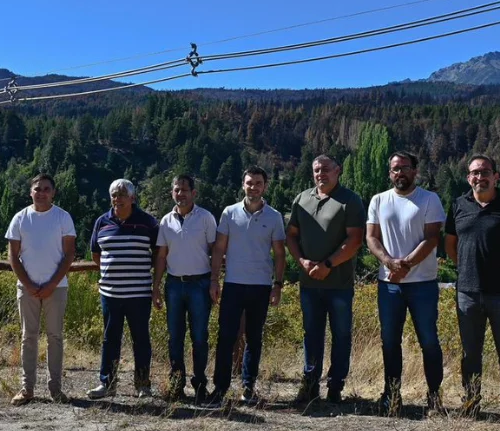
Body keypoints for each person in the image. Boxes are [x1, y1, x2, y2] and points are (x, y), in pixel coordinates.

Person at [445, 155, 500, 420]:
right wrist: (467, 269)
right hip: (468, 293)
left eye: (485, 172)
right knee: (470, 354)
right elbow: (450, 245)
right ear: (468, 177)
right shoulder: (459, 205)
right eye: (474, 173)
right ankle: (471, 404)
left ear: (496, 176)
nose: (479, 177)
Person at [365, 152, 446, 417]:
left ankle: (434, 397)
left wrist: (406, 266)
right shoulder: (378, 200)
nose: (399, 172)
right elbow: (371, 238)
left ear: (415, 171)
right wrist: (389, 263)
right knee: (389, 341)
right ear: (389, 173)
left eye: (405, 168)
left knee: (429, 341)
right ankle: (391, 396)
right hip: (389, 285)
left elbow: (432, 238)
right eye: (395, 169)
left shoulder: (429, 199)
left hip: (422, 284)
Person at [287, 155, 364, 404]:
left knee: (341, 334)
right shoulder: (302, 199)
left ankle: (335, 387)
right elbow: (291, 236)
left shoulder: (350, 200)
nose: (321, 174)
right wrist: (303, 262)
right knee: (312, 334)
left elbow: (354, 240)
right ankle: (309, 385)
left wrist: (328, 264)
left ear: (338, 171)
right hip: (309, 283)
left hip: (339, 284)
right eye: (316, 170)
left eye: (326, 169)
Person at [206, 166, 286, 406]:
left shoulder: (274, 216)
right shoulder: (229, 213)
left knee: (254, 338)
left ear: (265, 186)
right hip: (232, 284)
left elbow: (280, 254)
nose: (253, 187)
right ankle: (220, 389)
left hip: (260, 287)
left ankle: (248, 387)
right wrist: (214, 280)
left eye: (258, 183)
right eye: (249, 183)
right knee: (226, 337)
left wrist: (278, 285)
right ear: (243, 185)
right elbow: (219, 248)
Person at [6, 174, 77, 405]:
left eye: (46, 189)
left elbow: (69, 255)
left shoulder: (63, 217)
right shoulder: (20, 218)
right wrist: (28, 284)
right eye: (38, 189)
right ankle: (27, 389)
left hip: (56, 288)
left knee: (55, 337)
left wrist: (51, 284)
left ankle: (55, 389)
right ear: (31, 192)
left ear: (53, 192)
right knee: (29, 337)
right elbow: (13, 256)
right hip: (27, 289)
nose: (42, 192)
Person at [87, 179, 159, 399]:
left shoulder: (148, 222)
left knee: (141, 339)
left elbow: (158, 254)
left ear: (132, 198)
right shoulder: (102, 222)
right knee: (110, 339)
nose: (117, 199)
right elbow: (96, 254)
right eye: (114, 195)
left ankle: (142, 384)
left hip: (139, 293)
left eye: (121, 195)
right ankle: (107, 384)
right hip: (110, 293)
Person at [152, 175, 218, 402]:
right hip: (174, 285)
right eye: (176, 190)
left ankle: (200, 385)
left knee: (200, 336)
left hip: (200, 284)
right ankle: (176, 385)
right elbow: (161, 256)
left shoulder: (206, 218)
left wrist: (214, 281)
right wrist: (156, 286)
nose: (180, 194)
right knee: (175, 336)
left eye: (184, 190)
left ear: (193, 193)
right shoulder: (165, 221)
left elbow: (215, 251)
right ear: (172, 192)